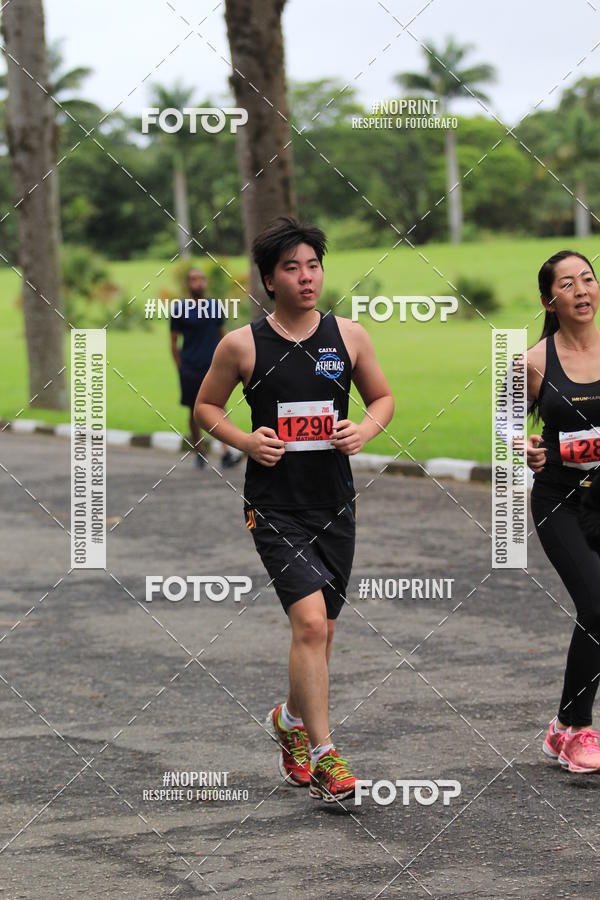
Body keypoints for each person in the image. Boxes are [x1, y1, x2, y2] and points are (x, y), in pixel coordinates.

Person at [194, 217, 394, 801]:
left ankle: (289, 721)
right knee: (308, 623)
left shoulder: (348, 336)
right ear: (269, 280)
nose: (306, 277)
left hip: (334, 503)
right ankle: (327, 756)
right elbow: (207, 407)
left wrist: (364, 430)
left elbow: (382, 398)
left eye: (313, 266)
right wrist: (246, 440)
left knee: (323, 631)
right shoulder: (242, 344)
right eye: (292, 268)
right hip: (275, 506)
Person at [526, 249, 600, 773]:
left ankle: (563, 728)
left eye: (588, 279)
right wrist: (522, 448)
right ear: (549, 300)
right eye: (568, 283)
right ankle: (576, 729)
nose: (581, 290)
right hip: (561, 500)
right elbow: (504, 430)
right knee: (597, 604)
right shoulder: (531, 362)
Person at [170, 267, 240, 469]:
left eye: (201, 279)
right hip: (190, 367)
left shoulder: (215, 307)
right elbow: (173, 342)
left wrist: (229, 360)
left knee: (219, 407)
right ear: (188, 284)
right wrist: (180, 367)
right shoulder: (179, 309)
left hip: (213, 367)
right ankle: (199, 451)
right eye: (194, 279)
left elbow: (222, 335)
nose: (199, 282)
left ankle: (225, 453)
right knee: (194, 411)